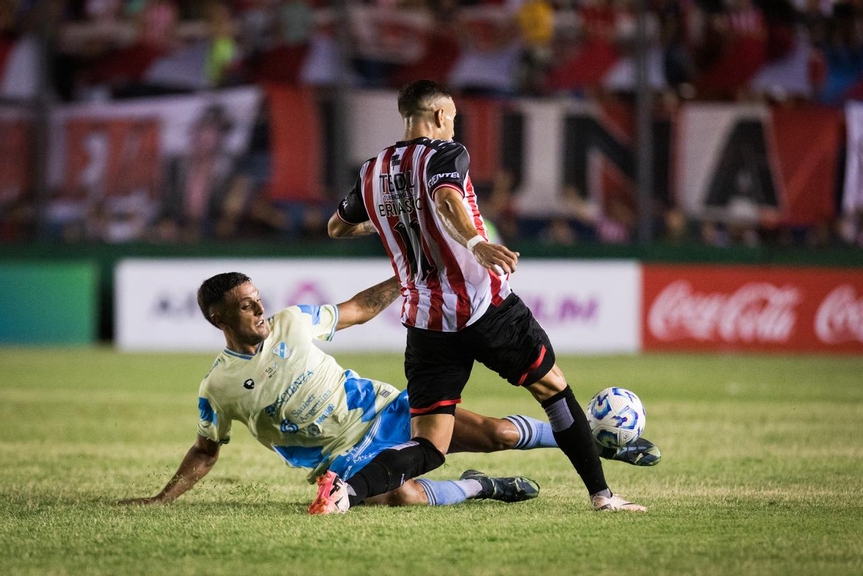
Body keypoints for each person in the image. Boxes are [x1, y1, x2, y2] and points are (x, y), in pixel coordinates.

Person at [325, 79, 654, 514]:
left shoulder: (372, 171)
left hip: (426, 322)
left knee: (430, 445)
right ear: (440, 115)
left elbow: (337, 227)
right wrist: (476, 243)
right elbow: (446, 198)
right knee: (553, 390)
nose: (454, 126)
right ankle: (602, 496)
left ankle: (344, 493)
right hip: (486, 307)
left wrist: (393, 217)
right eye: (453, 118)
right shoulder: (445, 153)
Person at [119, 272, 655, 510]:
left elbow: (355, 309)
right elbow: (205, 450)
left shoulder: (292, 322)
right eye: (246, 305)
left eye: (258, 298)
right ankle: (481, 488)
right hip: (343, 456)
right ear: (219, 318)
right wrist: (162, 499)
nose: (260, 309)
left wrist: (405, 277)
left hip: (384, 409)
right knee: (399, 496)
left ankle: (597, 441)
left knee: (496, 433)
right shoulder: (218, 387)